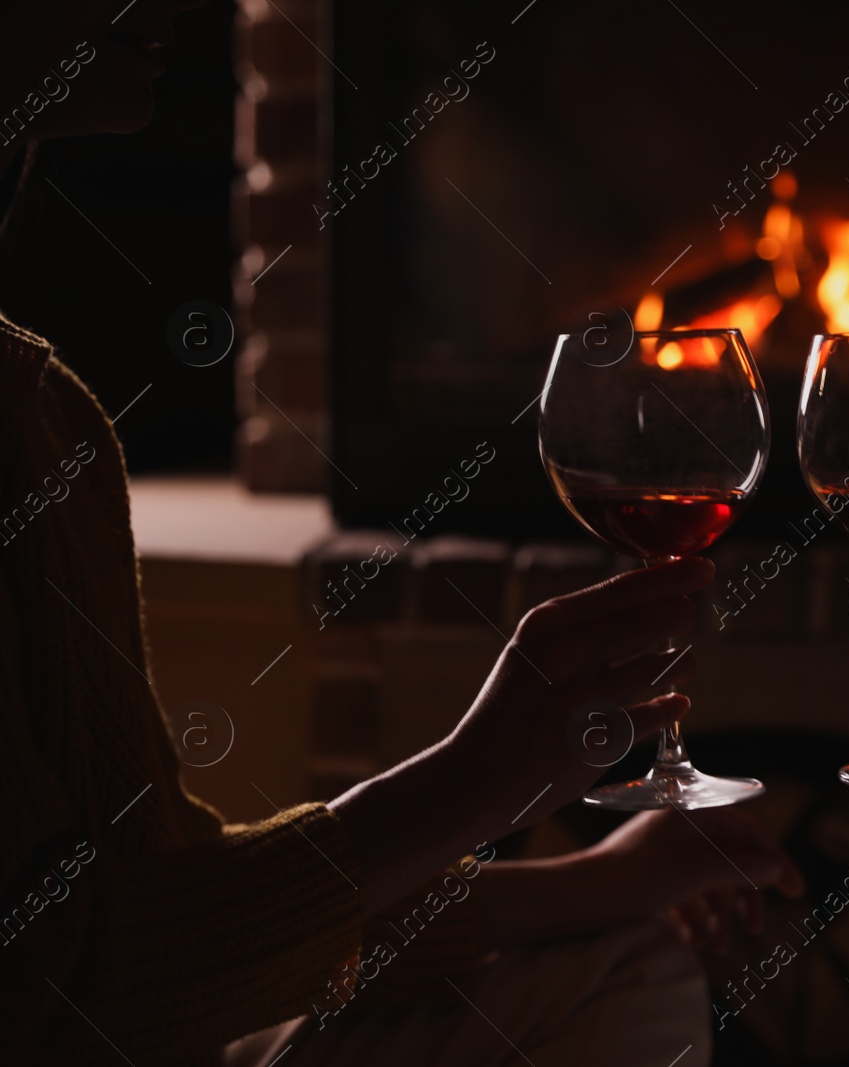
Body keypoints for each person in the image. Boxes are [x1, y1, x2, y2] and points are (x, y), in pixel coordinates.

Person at [0, 4, 801, 1065]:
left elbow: (164, 904)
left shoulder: (37, 404)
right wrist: (467, 782)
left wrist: (585, 882)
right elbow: (48, 987)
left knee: (625, 947)